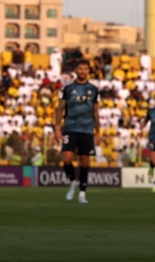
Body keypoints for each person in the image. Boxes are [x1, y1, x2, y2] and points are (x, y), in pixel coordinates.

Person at [55, 60, 100, 204]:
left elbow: (96, 111)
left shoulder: (93, 89)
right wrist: (57, 127)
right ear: (76, 70)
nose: (82, 71)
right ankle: (72, 181)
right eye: (80, 68)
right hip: (70, 127)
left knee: (85, 161)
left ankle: (82, 194)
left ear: (88, 71)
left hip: (87, 129)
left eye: (85, 69)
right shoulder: (68, 88)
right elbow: (60, 108)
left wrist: (98, 131)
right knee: (67, 159)